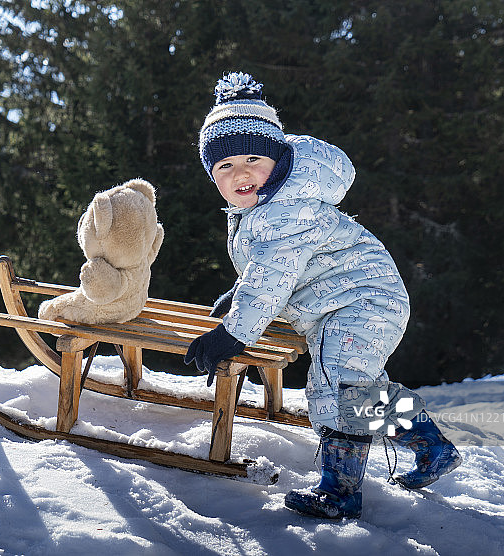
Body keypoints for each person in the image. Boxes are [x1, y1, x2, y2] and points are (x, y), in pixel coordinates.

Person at [184, 72, 461, 519]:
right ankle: (431, 446)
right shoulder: (262, 208)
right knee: (357, 390)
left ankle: (341, 491)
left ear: (277, 159)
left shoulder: (284, 210)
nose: (242, 173)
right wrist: (238, 293)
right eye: (225, 166)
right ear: (212, 176)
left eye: (254, 157)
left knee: (339, 390)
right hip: (344, 303)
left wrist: (232, 334)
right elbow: (273, 269)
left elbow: (274, 274)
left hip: (362, 302)